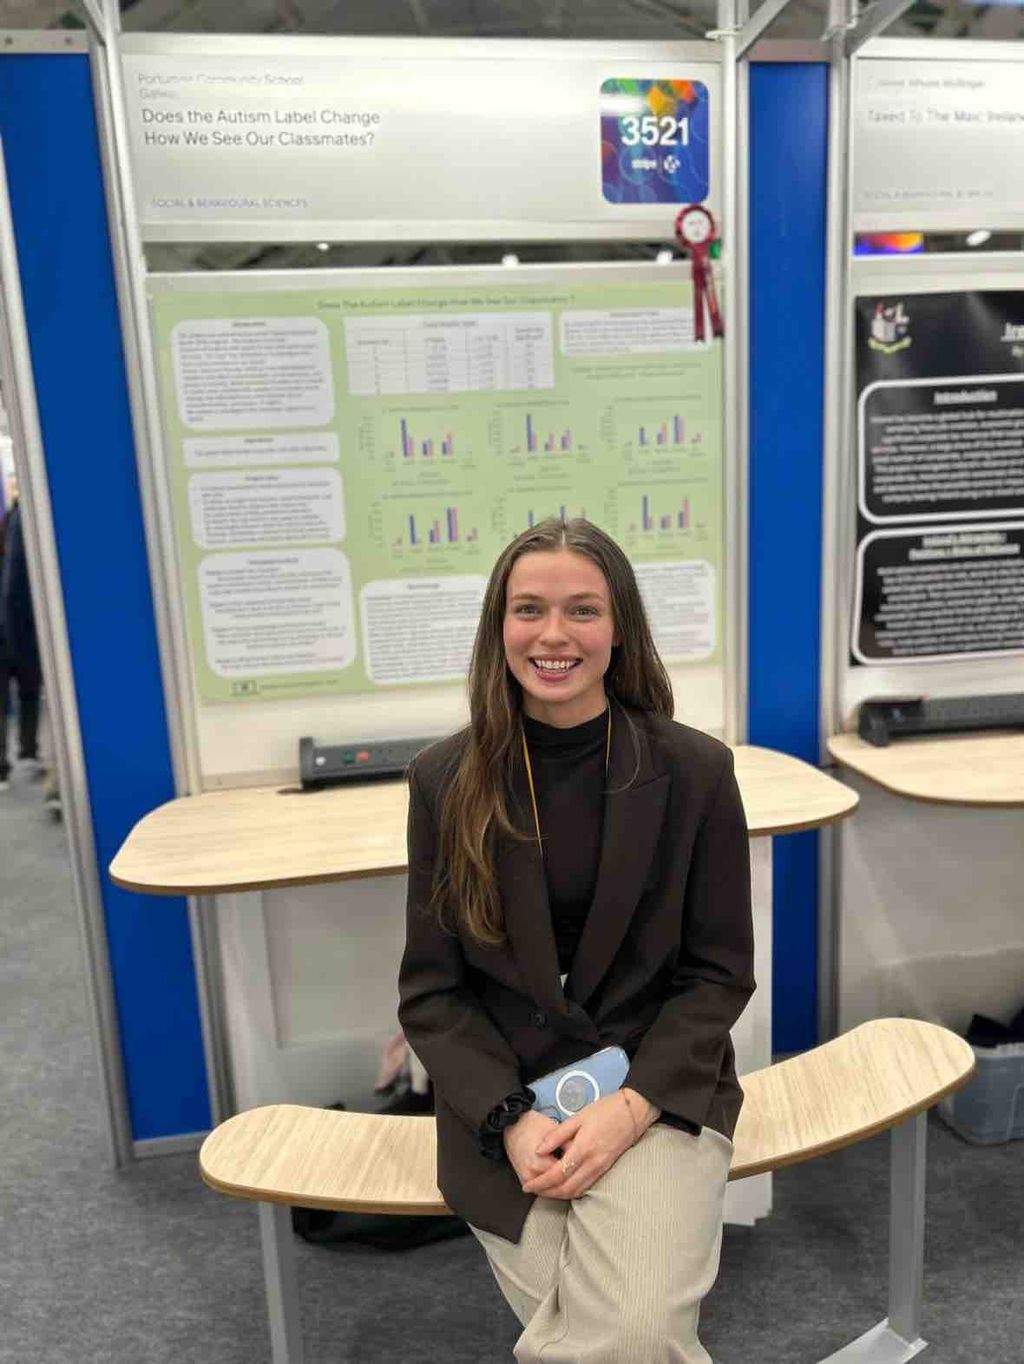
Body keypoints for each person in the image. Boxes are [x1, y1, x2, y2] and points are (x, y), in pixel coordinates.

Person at [398, 517, 755, 1363]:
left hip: (657, 1085)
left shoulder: (696, 772)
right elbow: (433, 993)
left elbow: (718, 974)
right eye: (529, 609)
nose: (553, 635)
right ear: (499, 627)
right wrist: (511, 1120)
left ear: (619, 627)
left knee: (626, 1333)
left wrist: (629, 1111)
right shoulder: (445, 781)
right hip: (506, 1102)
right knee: (632, 1335)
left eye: (582, 610)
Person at [0, 491, 42, 791]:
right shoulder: (19, 532)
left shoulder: (16, 531)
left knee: (20, 695)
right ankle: (26, 751)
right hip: (19, 631)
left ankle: (21, 755)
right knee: (26, 693)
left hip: (16, 630)